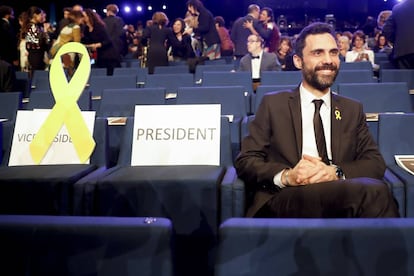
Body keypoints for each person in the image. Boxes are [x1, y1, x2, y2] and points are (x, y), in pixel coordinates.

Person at [235, 22, 399, 218]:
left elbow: (374, 163)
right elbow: (246, 161)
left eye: (333, 52)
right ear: (298, 61)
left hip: (342, 192)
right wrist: (287, 176)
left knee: (373, 193)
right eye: (318, 53)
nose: (328, 60)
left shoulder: (351, 109)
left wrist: (335, 172)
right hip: (286, 196)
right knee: (375, 194)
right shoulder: (273, 104)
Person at [82, 8, 121, 76]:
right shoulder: (86, 29)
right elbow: (86, 41)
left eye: (84, 16)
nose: (83, 18)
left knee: (109, 76)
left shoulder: (99, 26)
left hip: (109, 55)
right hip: (99, 56)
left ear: (89, 17)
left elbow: (108, 40)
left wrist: (97, 45)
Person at [383, 0, 414, 69]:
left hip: (403, 52)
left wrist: (396, 40)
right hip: (403, 52)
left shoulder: (398, 8)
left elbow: (386, 29)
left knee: (404, 79)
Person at [25, 6, 51, 76]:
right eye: (41, 15)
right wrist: (45, 31)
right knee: (36, 75)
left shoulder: (34, 26)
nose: (42, 17)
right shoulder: (32, 26)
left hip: (36, 55)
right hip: (36, 55)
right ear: (35, 15)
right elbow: (40, 42)